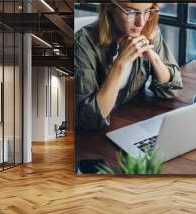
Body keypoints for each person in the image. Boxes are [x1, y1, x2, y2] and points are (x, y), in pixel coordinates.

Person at [74, 2, 183, 132]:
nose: (140, 22)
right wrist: (120, 64)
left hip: (132, 122)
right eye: (131, 12)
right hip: (90, 139)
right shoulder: (82, 44)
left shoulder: (148, 30)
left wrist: (154, 58)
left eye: (147, 10)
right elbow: (89, 119)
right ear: (109, 7)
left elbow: (171, 90)